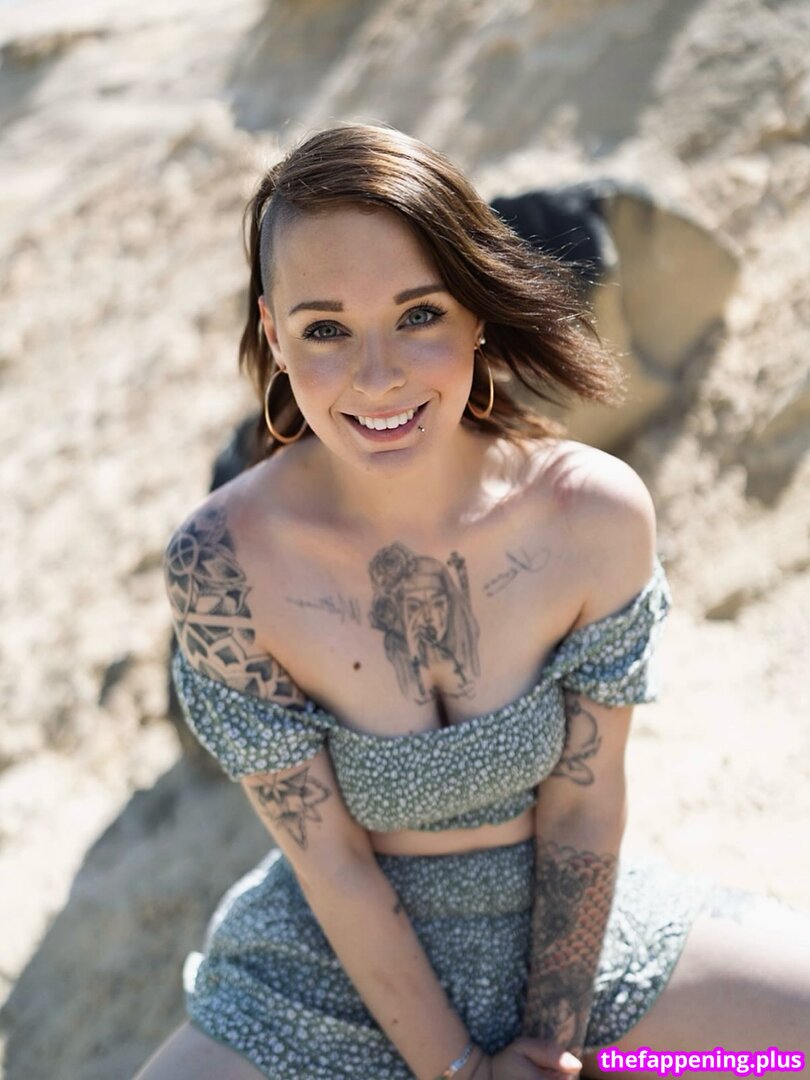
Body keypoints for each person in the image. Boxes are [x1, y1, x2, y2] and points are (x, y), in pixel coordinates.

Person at [135, 124, 810, 1080]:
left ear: (478, 310)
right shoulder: (224, 566)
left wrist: (549, 1043)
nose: (379, 377)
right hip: (330, 965)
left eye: (419, 314)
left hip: (573, 935)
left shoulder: (589, 513)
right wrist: (458, 1070)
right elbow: (332, 864)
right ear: (275, 335)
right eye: (325, 329)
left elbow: (585, 809)